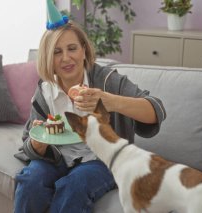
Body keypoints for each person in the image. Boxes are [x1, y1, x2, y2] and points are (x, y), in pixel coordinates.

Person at [14, 1, 166, 212]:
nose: (66, 58)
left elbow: (156, 110)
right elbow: (30, 142)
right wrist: (38, 145)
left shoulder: (108, 81)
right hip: (57, 157)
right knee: (31, 180)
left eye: (72, 48)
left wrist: (110, 101)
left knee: (74, 184)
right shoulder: (46, 90)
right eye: (57, 52)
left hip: (101, 159)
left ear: (84, 51)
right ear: (49, 58)